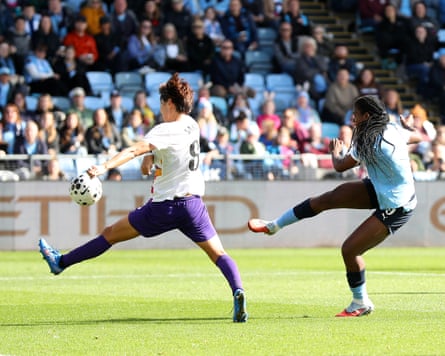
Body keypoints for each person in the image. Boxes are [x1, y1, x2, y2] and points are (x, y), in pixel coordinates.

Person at [39, 72, 248, 323]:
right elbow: (153, 160)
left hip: (163, 207)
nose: (160, 110)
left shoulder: (164, 130)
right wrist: (152, 157)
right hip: (193, 205)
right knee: (219, 254)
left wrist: (103, 168)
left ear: (170, 103)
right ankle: (238, 290)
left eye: (161, 104)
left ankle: (61, 262)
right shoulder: (192, 125)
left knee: (109, 234)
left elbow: (133, 150)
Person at [248, 95, 423, 317]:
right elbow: (416, 136)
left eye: (356, 114)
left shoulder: (368, 142)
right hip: (382, 188)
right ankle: (274, 225)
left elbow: (340, 166)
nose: (353, 118)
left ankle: (360, 302)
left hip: (398, 204)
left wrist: (335, 151)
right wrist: (408, 127)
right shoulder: (393, 130)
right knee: (328, 199)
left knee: (350, 250)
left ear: (367, 117)